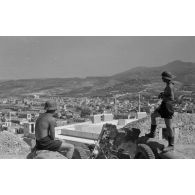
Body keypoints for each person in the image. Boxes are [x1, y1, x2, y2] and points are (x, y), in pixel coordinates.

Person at [146, 71, 175, 150]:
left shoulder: (169, 86)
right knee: (153, 115)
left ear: (166, 78)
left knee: (169, 126)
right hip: (164, 106)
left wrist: (162, 96)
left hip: (167, 107)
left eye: (163, 77)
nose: (162, 79)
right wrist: (163, 94)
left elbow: (172, 98)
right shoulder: (168, 85)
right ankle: (152, 133)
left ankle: (171, 145)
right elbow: (168, 94)